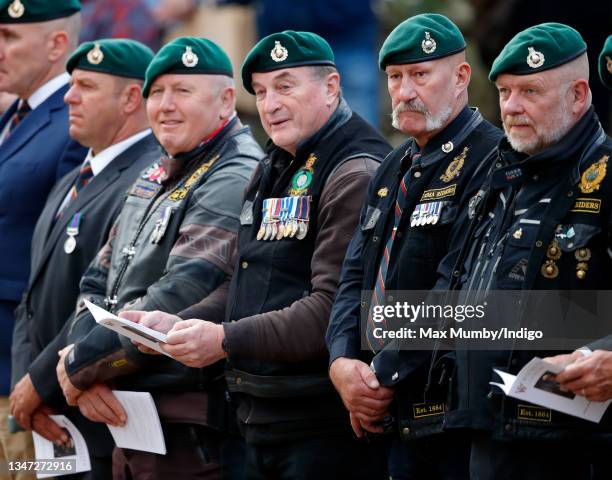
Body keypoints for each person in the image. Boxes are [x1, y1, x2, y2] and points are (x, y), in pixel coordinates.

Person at [128, 30, 392, 479]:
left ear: (331, 88)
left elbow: (332, 309)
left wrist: (223, 339)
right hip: (257, 417)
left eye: (286, 86)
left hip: (320, 426)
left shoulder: (355, 168)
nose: (269, 104)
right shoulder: (274, 163)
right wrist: (180, 323)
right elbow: (241, 282)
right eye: (263, 91)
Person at [55, 36, 263, 478]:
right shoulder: (158, 169)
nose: (165, 105)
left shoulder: (235, 170)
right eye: (157, 92)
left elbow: (182, 291)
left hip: (190, 430)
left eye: (182, 91)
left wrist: (81, 366)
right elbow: (96, 282)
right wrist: (84, 361)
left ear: (227, 100)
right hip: (133, 421)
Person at [430, 23, 612, 479]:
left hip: (575, 446)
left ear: (578, 95)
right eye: (505, 91)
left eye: (530, 90)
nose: (510, 107)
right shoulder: (498, 176)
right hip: (483, 433)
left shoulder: (606, 177)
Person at [325, 13, 502, 480]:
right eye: (396, 77)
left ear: (462, 77)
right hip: (378, 414)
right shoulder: (392, 166)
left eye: (420, 76)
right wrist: (342, 362)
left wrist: (381, 374)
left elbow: (457, 288)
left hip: (443, 412)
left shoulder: (492, 158)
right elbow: (355, 277)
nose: (403, 92)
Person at [9, 38, 158, 478]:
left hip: (90, 409)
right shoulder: (76, 176)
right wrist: (28, 385)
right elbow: (31, 297)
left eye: (86, 87)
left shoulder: (146, 177)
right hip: (47, 410)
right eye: (72, 85)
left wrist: (40, 383)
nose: (70, 96)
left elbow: (106, 300)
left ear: (131, 98)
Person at [0, 0, 86, 473]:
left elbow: (64, 256)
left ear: (57, 44)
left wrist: (39, 375)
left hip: (24, 368)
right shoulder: (16, 115)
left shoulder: (72, 121)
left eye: (9, 37)